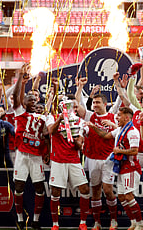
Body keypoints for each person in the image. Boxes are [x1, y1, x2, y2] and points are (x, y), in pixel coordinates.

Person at [87, 107, 143, 230]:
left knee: (129, 196)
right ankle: (133, 222)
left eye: (119, 115)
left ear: (127, 117)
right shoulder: (120, 129)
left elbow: (135, 151)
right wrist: (93, 127)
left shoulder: (132, 131)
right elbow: (106, 135)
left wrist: (119, 150)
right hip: (121, 167)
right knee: (121, 197)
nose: (116, 118)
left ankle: (141, 225)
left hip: (131, 167)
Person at [76, 77, 119, 230]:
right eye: (93, 102)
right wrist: (80, 87)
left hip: (108, 159)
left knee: (107, 190)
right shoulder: (89, 115)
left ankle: (114, 220)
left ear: (105, 104)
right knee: (95, 191)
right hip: (92, 158)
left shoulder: (113, 117)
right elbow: (77, 105)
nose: (95, 105)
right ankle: (97, 222)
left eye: (98, 102)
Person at [13, 66, 50, 230]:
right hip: (22, 155)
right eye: (30, 100)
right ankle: (20, 218)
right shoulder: (20, 113)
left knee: (40, 187)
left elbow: (48, 133)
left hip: (36, 157)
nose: (34, 102)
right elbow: (15, 97)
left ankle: (35, 220)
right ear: (24, 102)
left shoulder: (42, 116)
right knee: (19, 187)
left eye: (35, 101)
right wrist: (21, 78)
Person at [46, 92, 90, 230]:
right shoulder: (51, 118)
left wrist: (79, 142)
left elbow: (80, 143)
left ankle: (82, 223)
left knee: (85, 189)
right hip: (58, 160)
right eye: (68, 106)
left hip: (74, 160)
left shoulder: (80, 122)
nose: (73, 109)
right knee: (55, 192)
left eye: (74, 107)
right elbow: (51, 132)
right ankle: (55, 224)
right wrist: (61, 118)